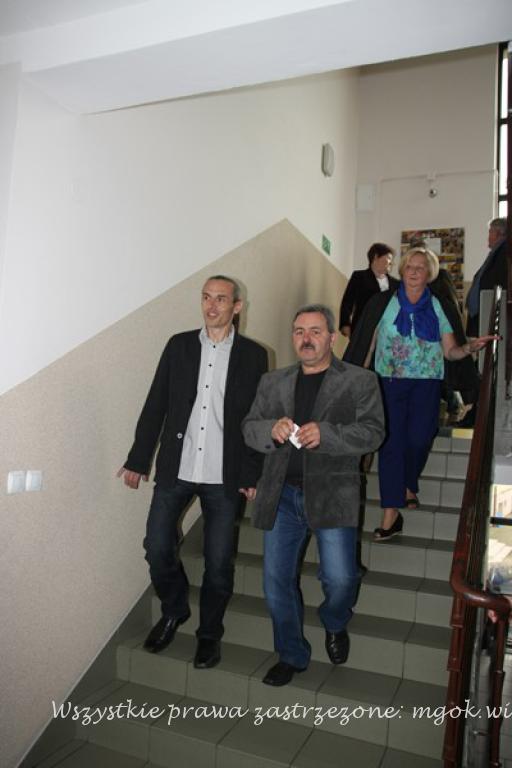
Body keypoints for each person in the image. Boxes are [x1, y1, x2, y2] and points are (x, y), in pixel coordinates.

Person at [118, 276, 268, 667]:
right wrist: (138, 459)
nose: (211, 306)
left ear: (237, 306)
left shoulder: (254, 355)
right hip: (178, 467)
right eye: (206, 298)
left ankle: (209, 634)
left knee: (219, 563)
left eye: (221, 299)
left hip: (224, 475)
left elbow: (257, 418)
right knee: (156, 546)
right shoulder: (179, 346)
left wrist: (251, 473)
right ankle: (174, 608)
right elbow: (156, 404)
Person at [242, 304, 385, 686]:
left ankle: (334, 621)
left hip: (332, 495)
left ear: (332, 337)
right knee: (276, 583)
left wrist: (329, 434)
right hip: (282, 496)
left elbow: (374, 432)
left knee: (340, 580)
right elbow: (249, 427)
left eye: (315, 331)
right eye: (299, 331)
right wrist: (270, 430)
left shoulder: (360, 380)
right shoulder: (273, 382)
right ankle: (291, 654)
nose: (306, 339)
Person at [344, 248, 497, 541]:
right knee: (390, 444)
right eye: (409, 267)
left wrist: (468, 348)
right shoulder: (382, 303)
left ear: (429, 274)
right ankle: (391, 513)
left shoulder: (439, 306)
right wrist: (356, 382)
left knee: (420, 438)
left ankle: (408, 482)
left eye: (421, 267)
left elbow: (450, 351)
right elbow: (367, 346)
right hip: (388, 382)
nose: (414, 271)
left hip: (427, 383)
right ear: (402, 271)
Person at [339, 242, 399, 338]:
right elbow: (347, 302)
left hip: (387, 332)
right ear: (376, 257)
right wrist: (345, 324)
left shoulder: (396, 284)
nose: (391, 263)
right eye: (388, 258)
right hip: (362, 328)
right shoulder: (359, 277)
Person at [466, 218, 508, 337]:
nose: (488, 237)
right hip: (483, 311)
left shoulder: (504, 252)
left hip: (490, 312)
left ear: (498, 233)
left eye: (490, 232)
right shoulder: (496, 252)